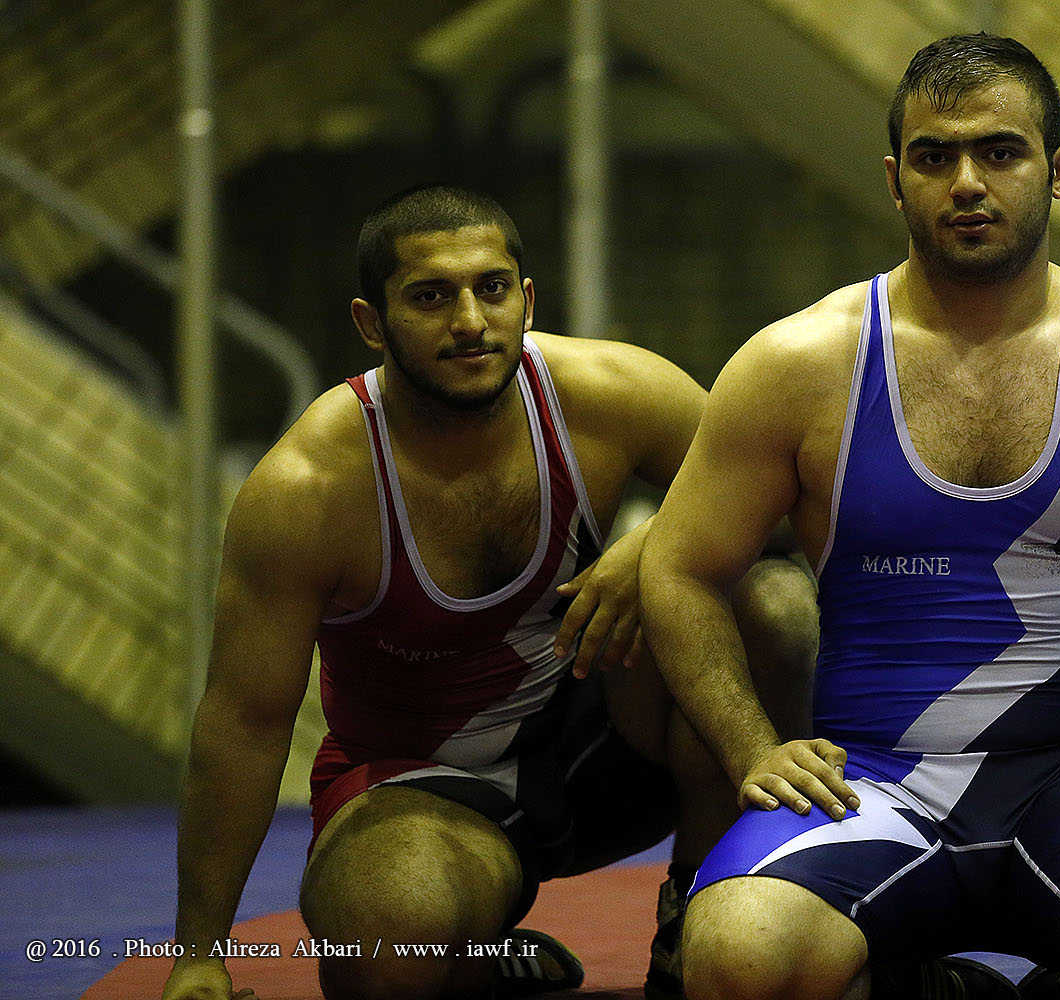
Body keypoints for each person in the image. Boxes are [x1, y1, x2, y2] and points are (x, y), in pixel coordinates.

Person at [638, 32, 1060, 1000]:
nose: (967, 182)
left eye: (1000, 152)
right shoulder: (800, 364)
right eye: (935, 156)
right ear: (895, 180)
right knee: (740, 959)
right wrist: (753, 747)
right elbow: (679, 567)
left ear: (1059, 170)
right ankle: (929, 982)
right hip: (874, 782)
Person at [159, 185, 817, 1000]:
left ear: (527, 301)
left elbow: (791, 509)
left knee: (772, 603)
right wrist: (198, 955)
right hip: (424, 785)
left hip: (615, 748)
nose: (470, 321)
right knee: (387, 952)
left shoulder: (612, 392)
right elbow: (245, 724)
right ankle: (474, 952)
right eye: (431, 297)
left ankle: (699, 911)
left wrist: (657, 541)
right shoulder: (309, 489)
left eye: (491, 289)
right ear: (372, 323)